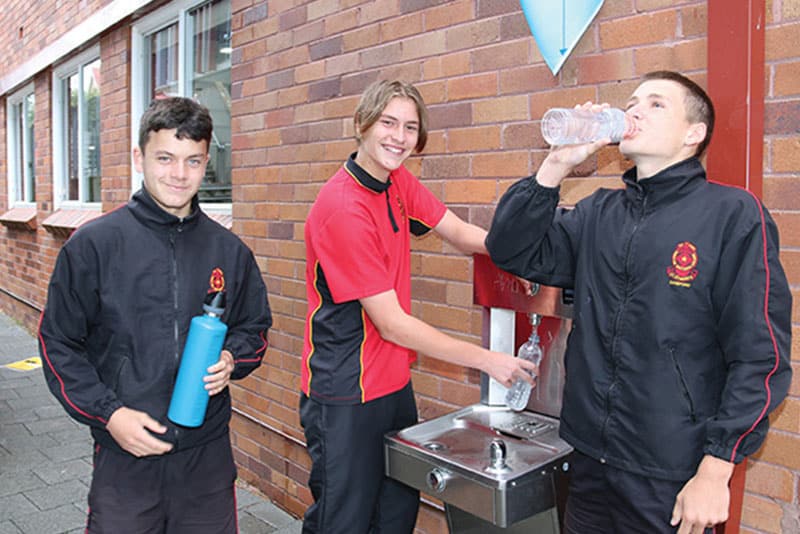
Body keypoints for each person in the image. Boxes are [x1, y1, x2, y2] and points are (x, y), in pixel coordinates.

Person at [486, 70, 792, 534]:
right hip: (589, 461)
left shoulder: (732, 215)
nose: (634, 111)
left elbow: (761, 357)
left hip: (671, 472)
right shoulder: (596, 213)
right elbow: (510, 248)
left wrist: (716, 469)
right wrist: (556, 166)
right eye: (631, 102)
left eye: (656, 103)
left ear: (694, 133)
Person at [299, 80, 537, 534]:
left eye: (410, 127)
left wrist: (520, 257)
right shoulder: (343, 208)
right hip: (346, 393)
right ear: (361, 126)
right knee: (344, 522)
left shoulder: (396, 182)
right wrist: (488, 360)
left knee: (395, 517)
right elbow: (393, 325)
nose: (399, 137)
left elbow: (462, 233)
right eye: (388, 123)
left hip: (392, 385)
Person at [38, 97, 272, 533]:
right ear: (138, 158)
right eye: (165, 158)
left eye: (193, 161)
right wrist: (109, 414)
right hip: (127, 449)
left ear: (207, 164)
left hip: (206, 457)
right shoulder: (94, 246)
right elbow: (59, 343)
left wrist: (230, 360)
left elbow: (254, 328)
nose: (179, 174)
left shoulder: (230, 252)